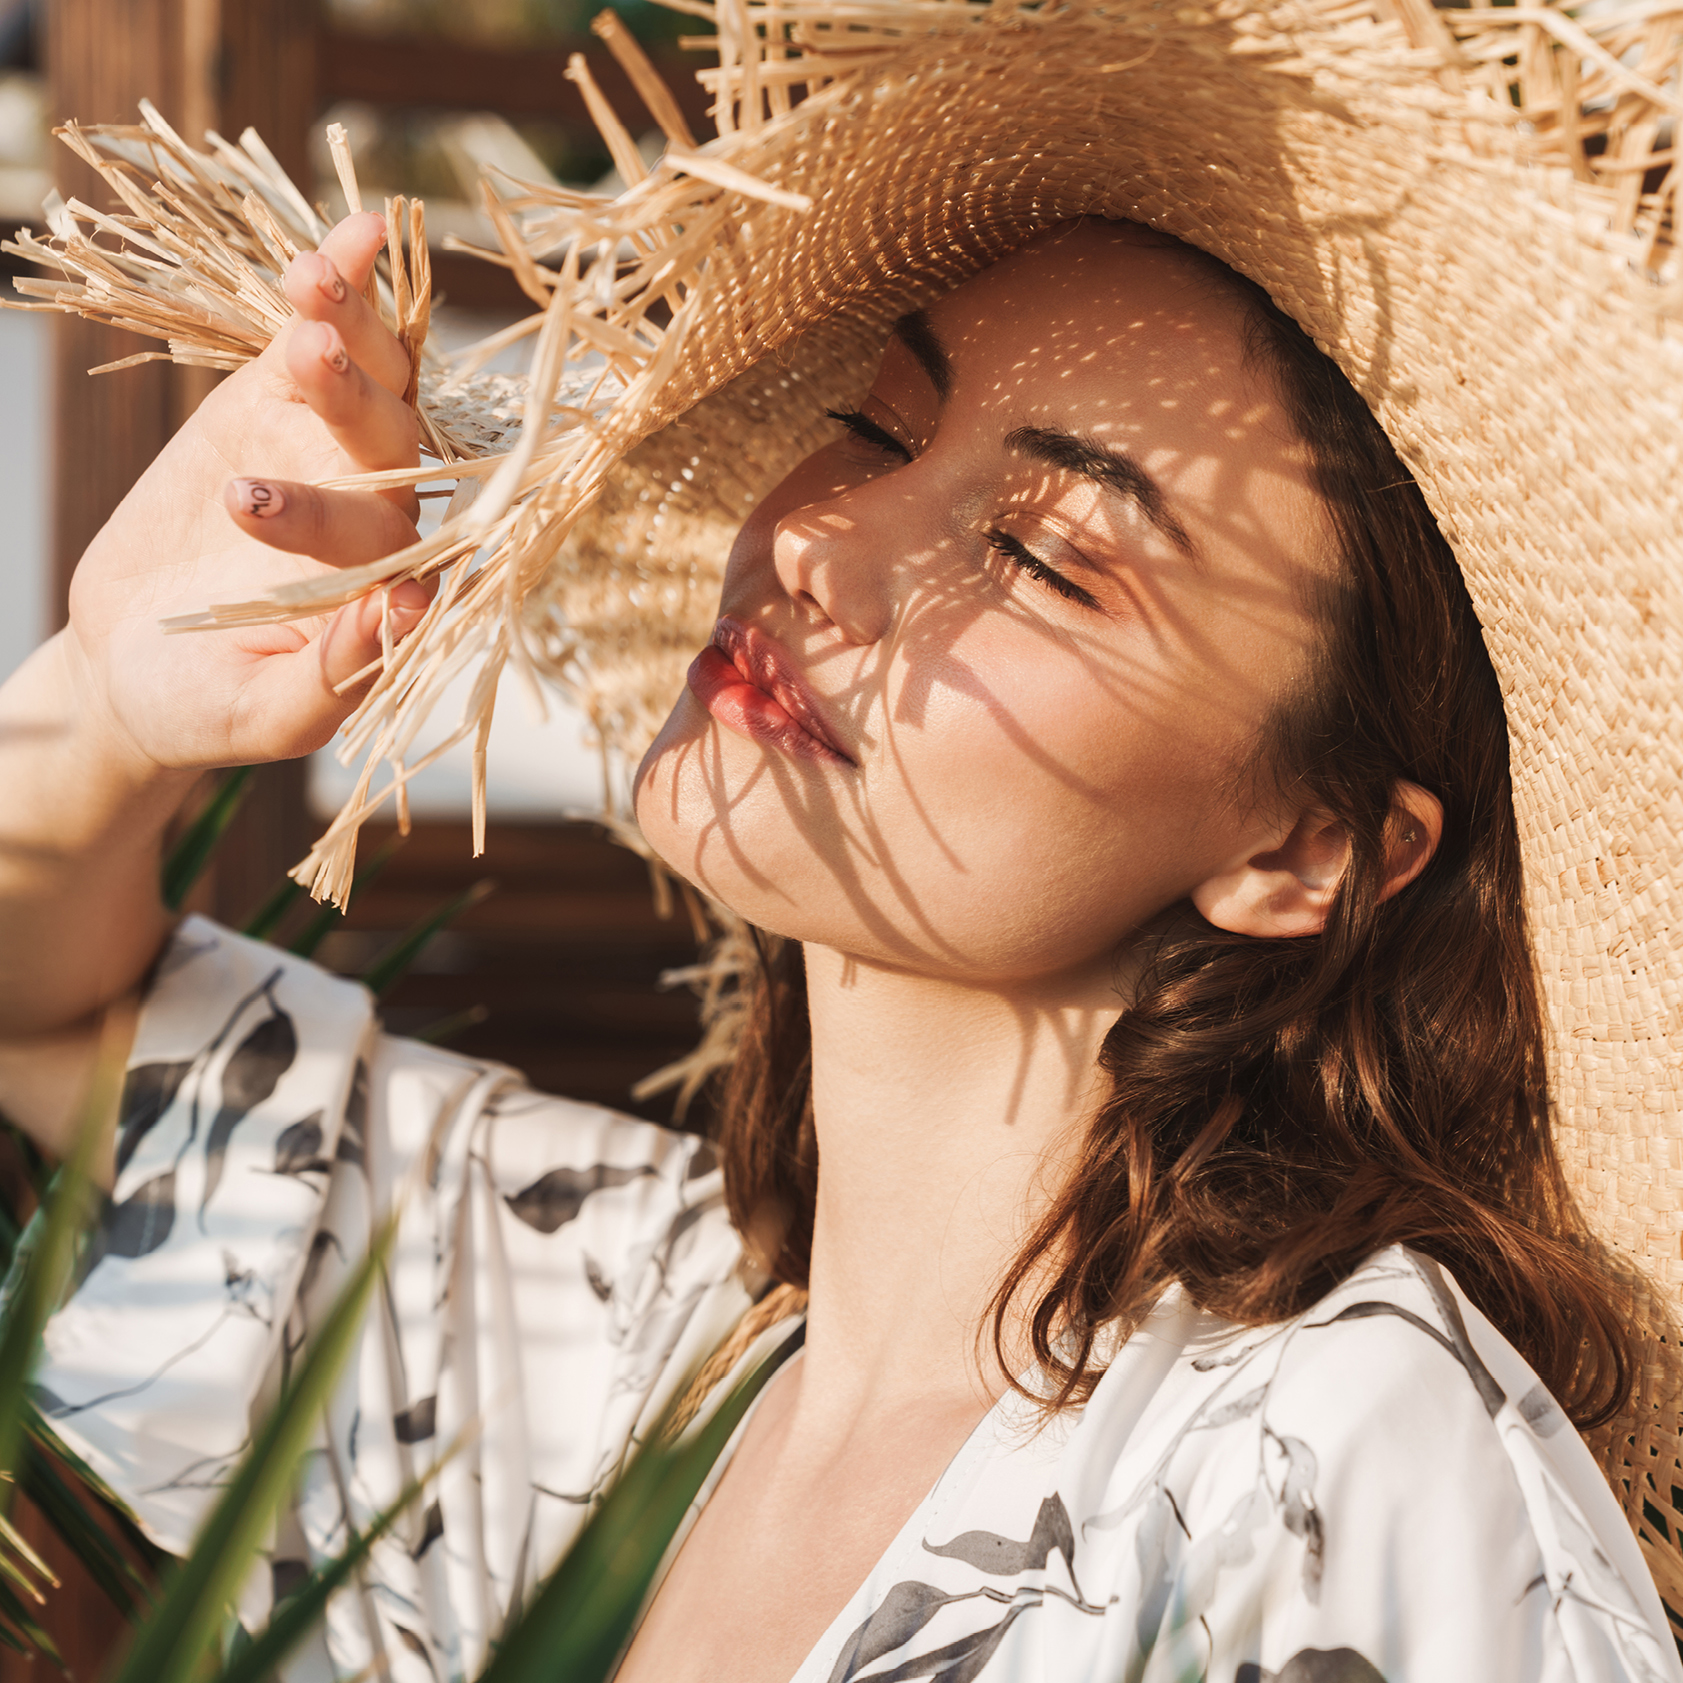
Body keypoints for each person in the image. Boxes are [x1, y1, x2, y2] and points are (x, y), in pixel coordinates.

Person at [1, 4, 1680, 1681]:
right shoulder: (610, 1347)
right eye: (877, 427)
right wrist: (107, 701)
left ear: (1307, 849)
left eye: (1040, 553)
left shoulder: (1334, 1478)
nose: (819, 535)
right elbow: (47, 1025)